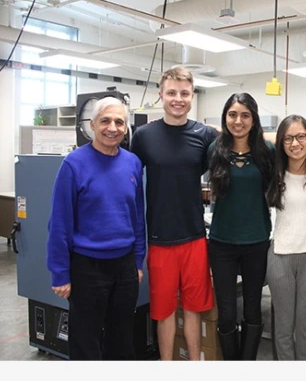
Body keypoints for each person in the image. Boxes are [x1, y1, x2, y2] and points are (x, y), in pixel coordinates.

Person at [47, 96, 146, 360]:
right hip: (87, 268)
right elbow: (59, 222)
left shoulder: (133, 163)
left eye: (119, 122)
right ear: (92, 125)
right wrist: (60, 273)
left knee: (121, 339)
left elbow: (137, 218)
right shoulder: (73, 164)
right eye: (105, 121)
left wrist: (137, 262)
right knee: (85, 341)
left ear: (126, 128)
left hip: (124, 267)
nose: (112, 127)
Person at [130, 66, 216, 361]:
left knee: (193, 309)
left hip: (194, 237)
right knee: (163, 311)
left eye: (184, 93)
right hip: (159, 239)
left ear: (192, 96)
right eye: (171, 93)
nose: (177, 99)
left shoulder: (205, 135)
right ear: (160, 95)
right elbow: (126, 178)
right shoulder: (143, 136)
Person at [207, 92, 275, 361]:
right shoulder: (215, 150)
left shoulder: (266, 152)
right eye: (233, 114)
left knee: (252, 307)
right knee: (226, 311)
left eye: (245, 115)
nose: (238, 121)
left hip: (256, 241)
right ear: (226, 118)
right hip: (221, 242)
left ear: (254, 119)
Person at [266, 114, 306, 360]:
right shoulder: (274, 172)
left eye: (301, 136)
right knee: (283, 327)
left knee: (305, 326)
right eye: (288, 138)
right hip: (280, 256)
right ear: (281, 142)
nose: (295, 143)